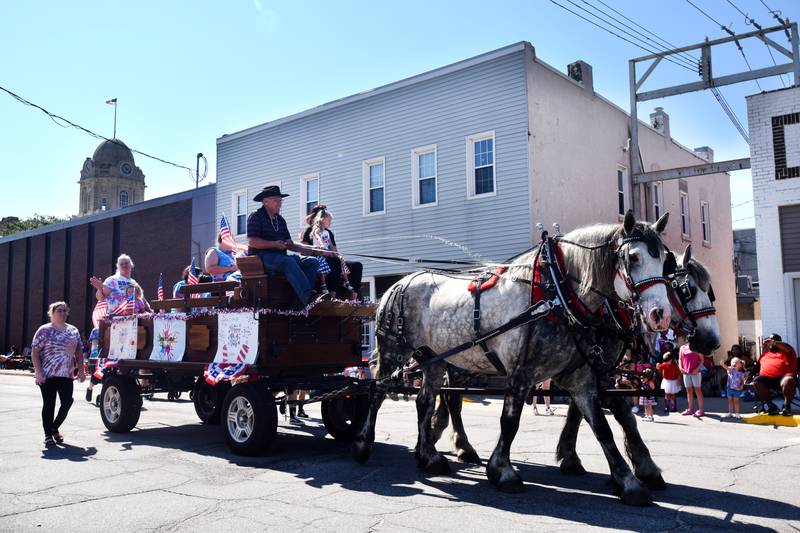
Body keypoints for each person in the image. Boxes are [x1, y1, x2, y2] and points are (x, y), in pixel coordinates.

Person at [247, 185, 334, 308]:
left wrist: (313, 250)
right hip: (262, 258)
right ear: (265, 201)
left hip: (280, 257)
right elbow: (252, 241)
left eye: (280, 200)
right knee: (288, 262)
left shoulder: (280, 220)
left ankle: (298, 305)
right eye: (276, 200)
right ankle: (309, 298)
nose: (280, 203)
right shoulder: (256, 216)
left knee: (312, 262)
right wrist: (274, 244)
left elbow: (290, 244)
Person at [31, 302, 85, 446]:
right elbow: (35, 353)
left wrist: (81, 370)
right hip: (47, 375)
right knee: (49, 404)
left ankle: (54, 427)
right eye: (59, 310)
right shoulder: (44, 330)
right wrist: (38, 372)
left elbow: (79, 351)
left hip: (67, 374)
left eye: (65, 311)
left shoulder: (73, 330)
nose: (62, 313)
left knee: (67, 402)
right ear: (52, 313)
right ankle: (48, 435)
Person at [301, 205, 363, 300]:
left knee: (357, 265)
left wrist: (339, 256)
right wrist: (321, 252)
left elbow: (334, 250)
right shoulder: (309, 231)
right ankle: (332, 296)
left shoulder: (328, 232)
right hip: (317, 259)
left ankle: (353, 297)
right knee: (335, 262)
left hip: (331, 258)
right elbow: (303, 251)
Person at [753, 334, 797, 416]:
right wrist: (748, 376)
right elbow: (757, 366)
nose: (770, 343)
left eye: (772, 340)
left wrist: (774, 343)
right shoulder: (765, 354)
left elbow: (787, 348)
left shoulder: (787, 350)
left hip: (784, 377)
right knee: (756, 381)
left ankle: (786, 407)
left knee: (789, 380)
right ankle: (771, 407)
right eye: (769, 341)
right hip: (767, 379)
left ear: (778, 341)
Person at [679, 342, 705, 417]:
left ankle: (701, 410)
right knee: (689, 391)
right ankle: (690, 409)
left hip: (695, 372)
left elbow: (702, 360)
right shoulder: (682, 347)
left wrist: (696, 369)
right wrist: (681, 368)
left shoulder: (697, 347)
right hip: (686, 373)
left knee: (698, 390)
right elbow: (680, 359)